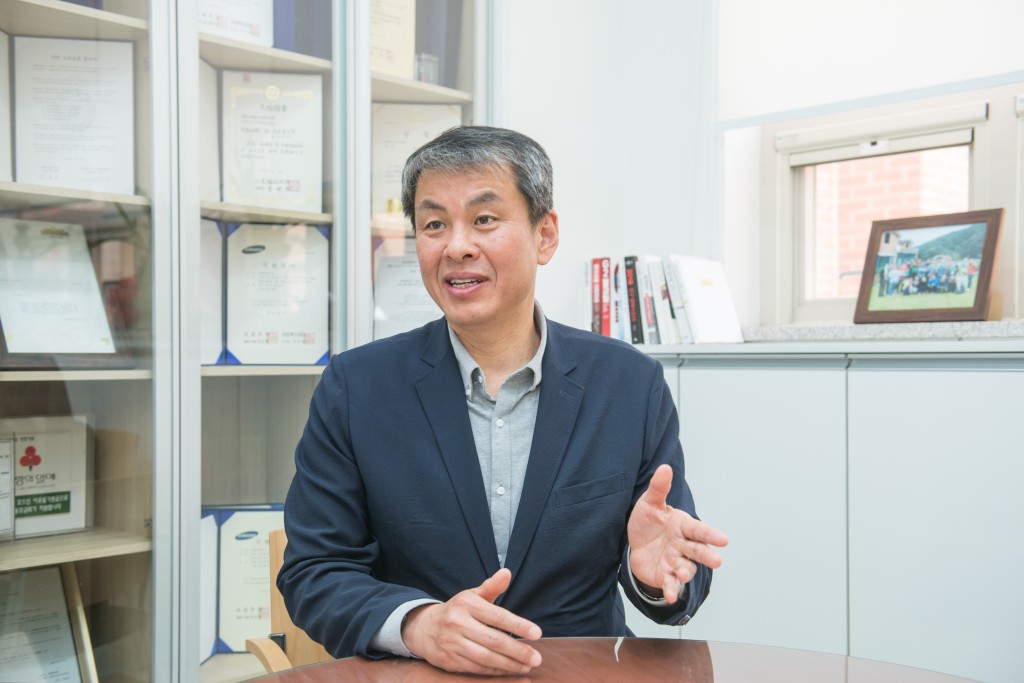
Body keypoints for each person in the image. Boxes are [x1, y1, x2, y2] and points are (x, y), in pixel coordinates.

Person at [278, 125, 728, 676]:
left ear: (545, 235)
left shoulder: (629, 383)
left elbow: (676, 561)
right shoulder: (357, 387)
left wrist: (650, 574)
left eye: (485, 219)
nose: (456, 246)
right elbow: (315, 571)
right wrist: (419, 624)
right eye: (434, 225)